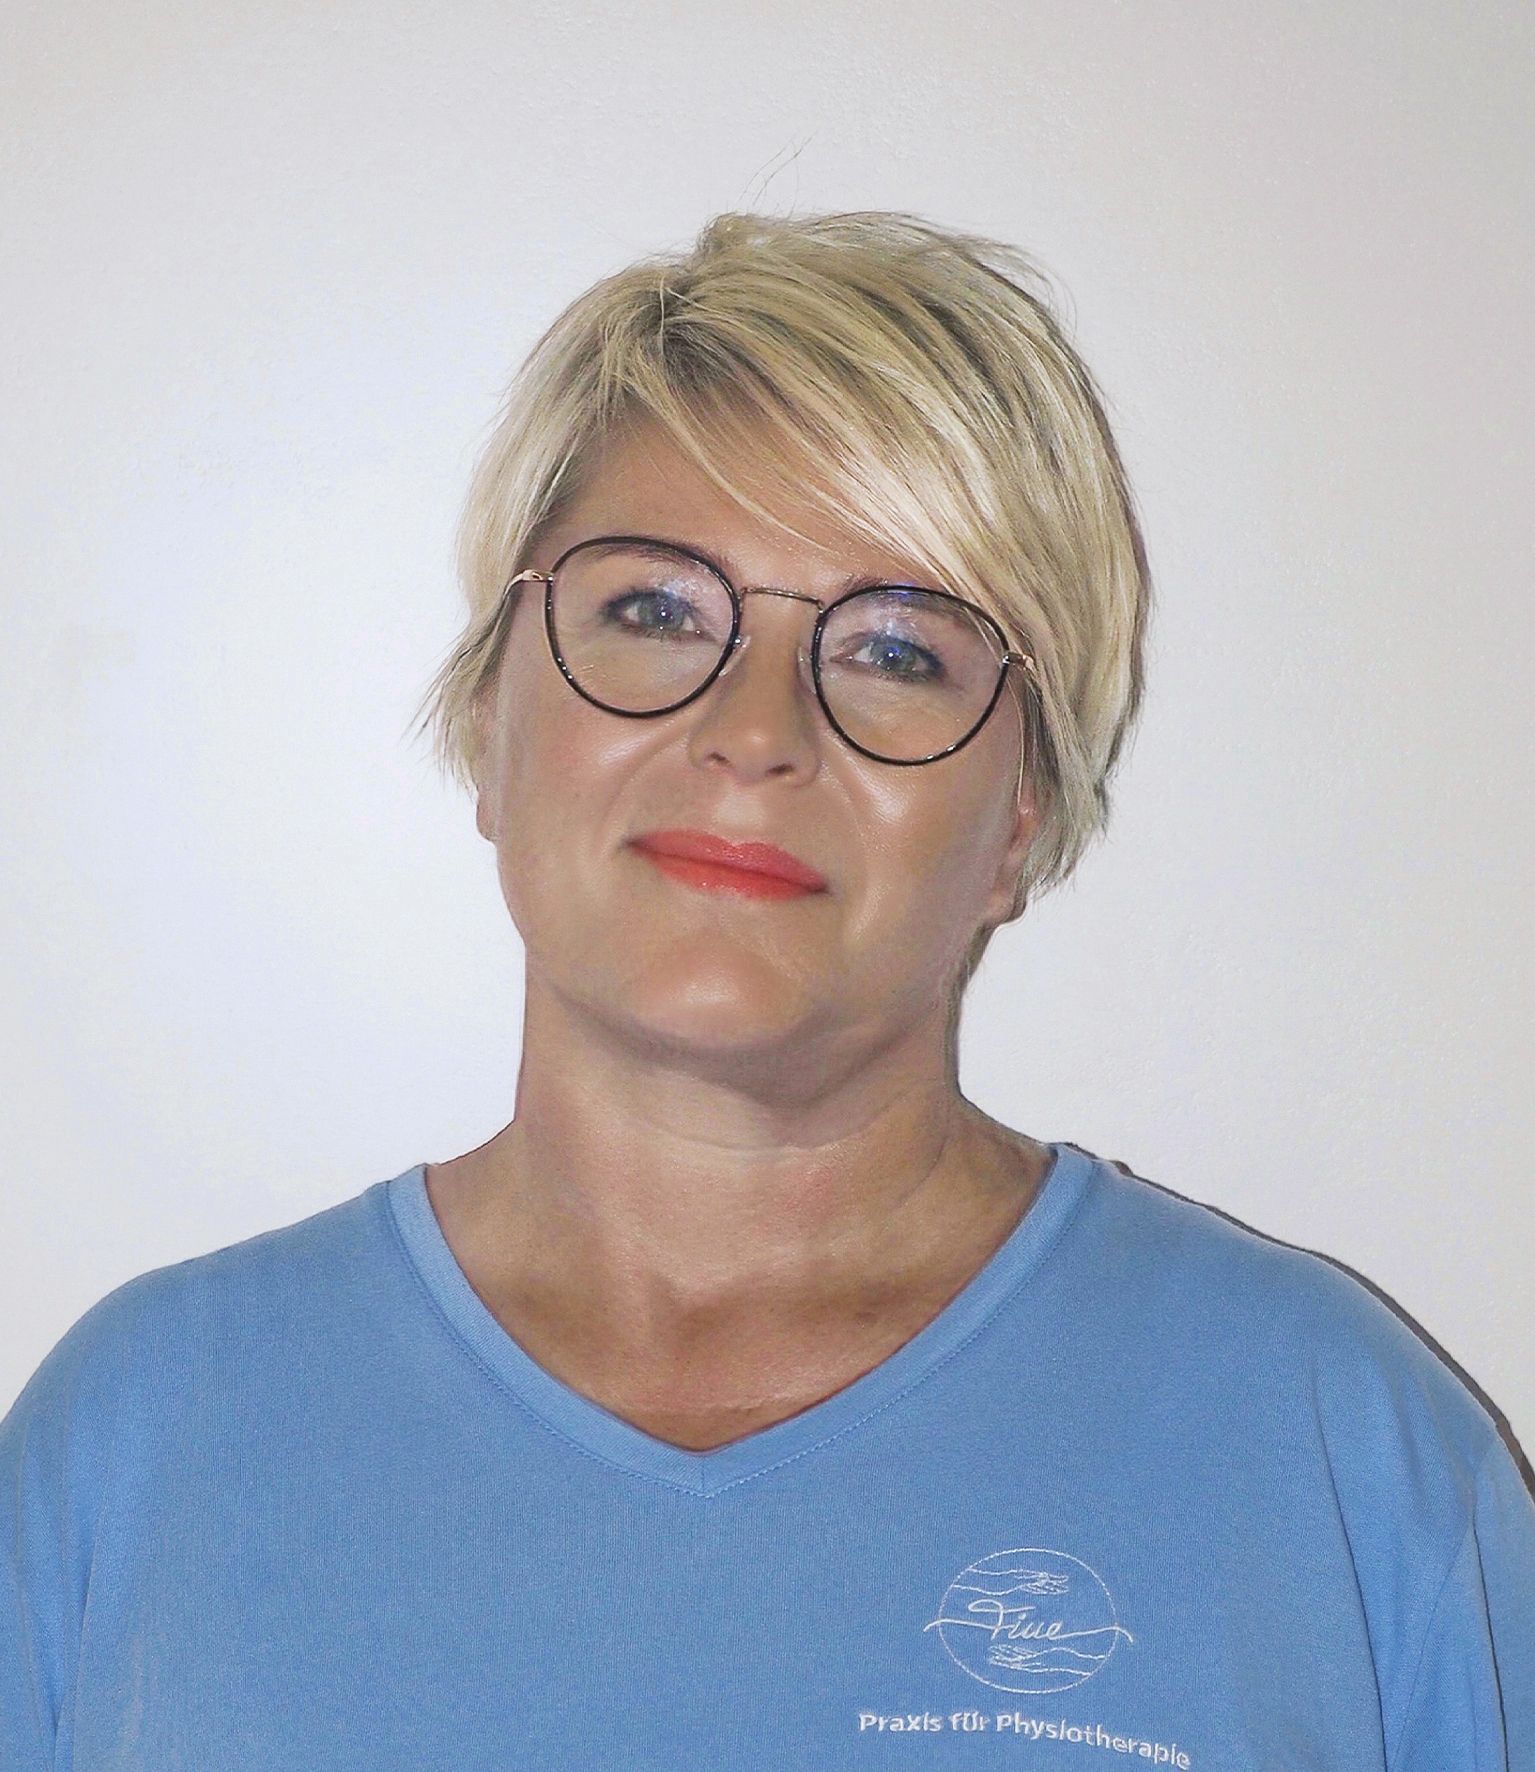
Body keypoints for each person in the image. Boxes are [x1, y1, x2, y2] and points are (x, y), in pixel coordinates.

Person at [2, 209, 1531, 1770]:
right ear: (489, 726)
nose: (755, 731)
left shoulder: (1333, 1448)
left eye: (897, 650)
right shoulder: (136, 1443)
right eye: (656, 611)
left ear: (1017, 822)